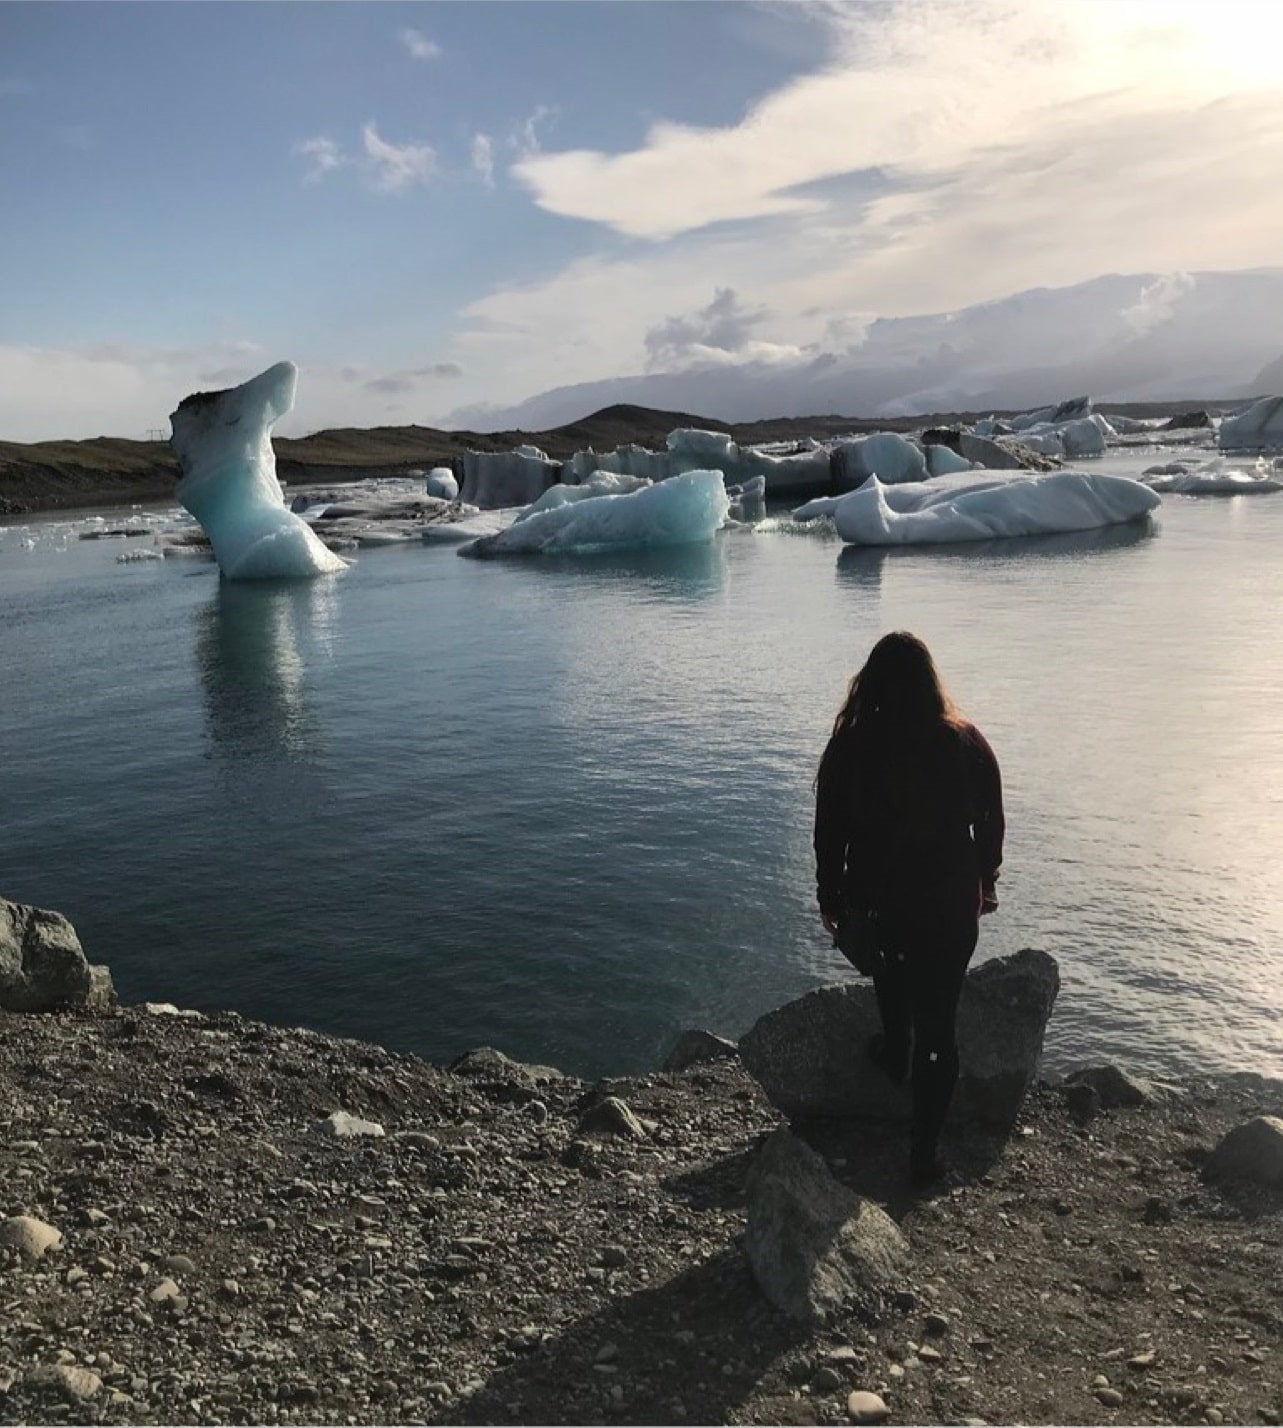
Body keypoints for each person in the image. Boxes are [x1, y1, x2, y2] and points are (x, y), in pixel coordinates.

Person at [814, 631, 1004, 1187]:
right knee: (939, 1025)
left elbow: (830, 835)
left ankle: (895, 1051)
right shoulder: (964, 741)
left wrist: (830, 898)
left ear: (868, 684)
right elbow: (991, 821)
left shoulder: (849, 748)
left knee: (892, 976)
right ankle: (923, 1155)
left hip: (880, 904)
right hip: (949, 903)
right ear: (929, 682)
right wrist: (986, 879)